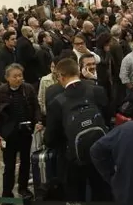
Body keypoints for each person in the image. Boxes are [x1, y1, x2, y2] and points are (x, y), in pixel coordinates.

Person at [44, 58, 112, 202]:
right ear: (78, 72)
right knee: (102, 193)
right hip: (99, 153)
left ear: (60, 77)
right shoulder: (96, 90)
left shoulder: (57, 101)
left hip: (71, 160)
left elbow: (50, 139)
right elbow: (107, 117)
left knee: (75, 195)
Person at [0, 63, 43, 200]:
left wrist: (38, 121)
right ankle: (7, 193)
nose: (18, 79)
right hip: (8, 134)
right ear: (7, 78)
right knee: (9, 165)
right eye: (15, 76)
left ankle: (23, 188)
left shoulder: (28, 89)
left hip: (25, 133)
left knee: (25, 162)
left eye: (20, 76)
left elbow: (36, 107)